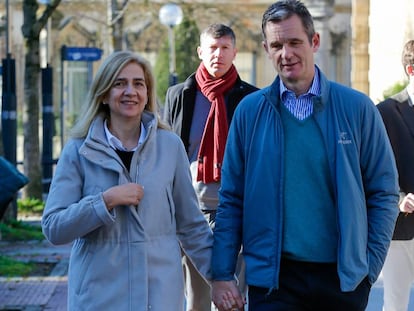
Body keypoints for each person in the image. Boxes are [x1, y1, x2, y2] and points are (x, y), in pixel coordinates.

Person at [210, 1, 400, 310]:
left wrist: (368, 268)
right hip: (273, 281)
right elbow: (232, 198)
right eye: (276, 45)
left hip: (342, 280)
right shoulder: (249, 112)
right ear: (266, 49)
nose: (286, 53)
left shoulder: (356, 108)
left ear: (314, 41)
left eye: (295, 42)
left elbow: (383, 192)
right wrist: (222, 273)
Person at [41, 50, 213, 311]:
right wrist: (104, 201)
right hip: (99, 298)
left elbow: (192, 226)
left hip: (159, 297)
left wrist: (222, 280)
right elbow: (54, 227)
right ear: (104, 94)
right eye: (119, 83)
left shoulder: (170, 146)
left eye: (138, 83)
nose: (130, 91)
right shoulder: (78, 149)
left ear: (147, 94)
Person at [163, 23, 258, 311]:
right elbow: (167, 150)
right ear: (200, 51)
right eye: (213, 48)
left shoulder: (252, 99)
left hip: (235, 210)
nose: (218, 54)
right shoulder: (180, 95)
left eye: (225, 48)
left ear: (235, 52)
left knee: (233, 300)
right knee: (197, 300)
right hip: (190, 210)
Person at [377, 39, 414, 311]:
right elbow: (375, 171)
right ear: (411, 70)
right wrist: (400, 198)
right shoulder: (386, 112)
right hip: (400, 228)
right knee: (395, 304)